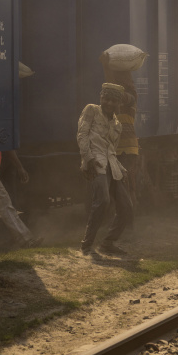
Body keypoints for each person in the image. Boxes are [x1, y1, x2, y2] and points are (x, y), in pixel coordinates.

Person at [77, 83, 134, 256]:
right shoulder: (91, 110)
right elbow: (82, 135)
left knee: (127, 208)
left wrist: (121, 169)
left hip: (112, 166)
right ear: (101, 98)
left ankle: (108, 243)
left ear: (119, 104)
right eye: (106, 99)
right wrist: (88, 159)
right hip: (96, 163)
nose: (109, 103)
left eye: (113, 100)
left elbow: (112, 151)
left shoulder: (118, 124)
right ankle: (86, 245)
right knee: (102, 201)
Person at [99, 53, 139, 204]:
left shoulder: (131, 95)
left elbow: (116, 93)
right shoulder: (119, 97)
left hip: (127, 147)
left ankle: (129, 221)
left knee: (126, 184)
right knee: (118, 185)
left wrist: (106, 68)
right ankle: (122, 219)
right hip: (115, 146)